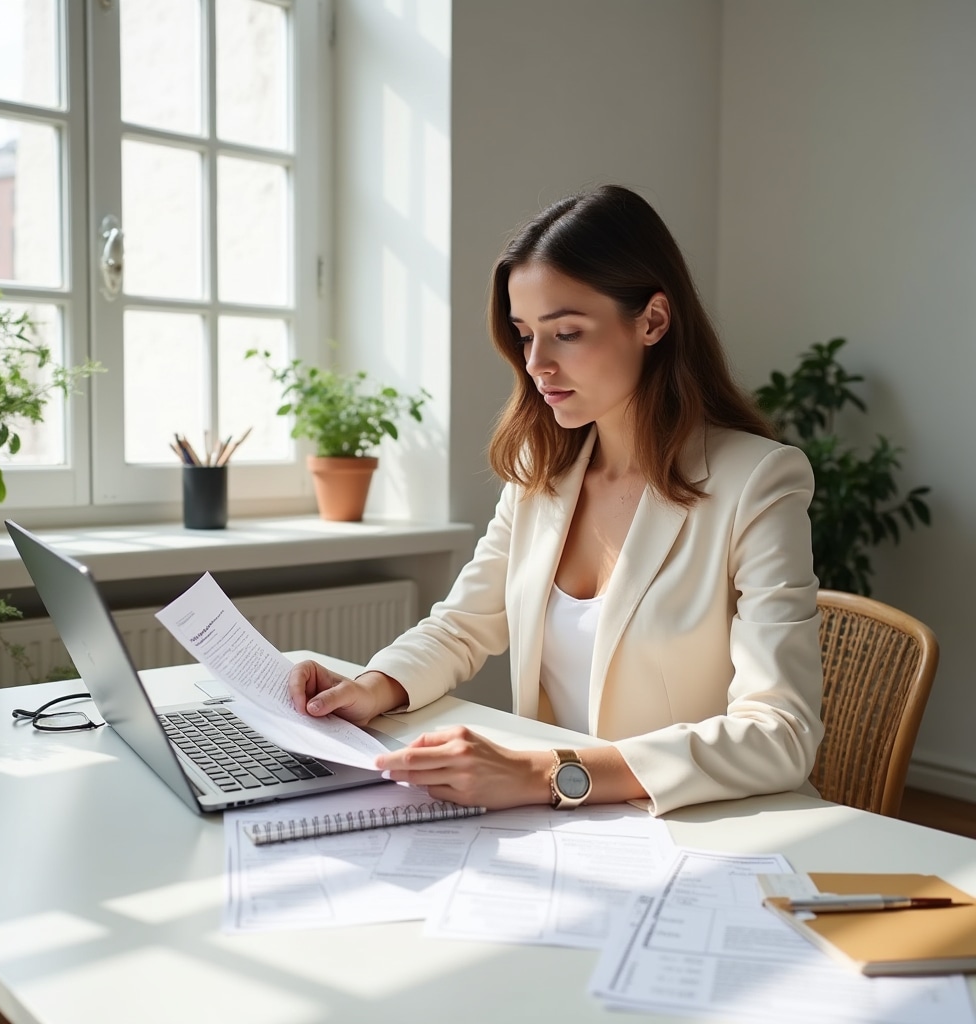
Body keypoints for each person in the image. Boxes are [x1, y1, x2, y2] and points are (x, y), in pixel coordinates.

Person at [289, 184, 823, 816]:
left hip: (700, 824)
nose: (537, 363)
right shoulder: (542, 475)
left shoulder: (759, 480)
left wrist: (545, 773)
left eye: (566, 332)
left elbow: (780, 732)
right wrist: (372, 687)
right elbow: (463, 624)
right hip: (568, 828)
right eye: (523, 335)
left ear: (652, 320)